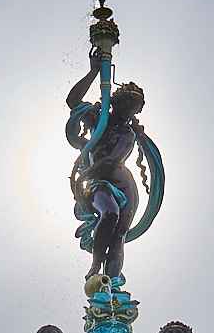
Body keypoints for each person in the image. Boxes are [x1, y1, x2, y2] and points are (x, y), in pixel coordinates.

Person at [66, 51, 154, 281]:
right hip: (99, 182)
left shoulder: (127, 133)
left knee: (119, 236)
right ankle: (96, 266)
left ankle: (112, 287)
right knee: (110, 213)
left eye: (134, 110)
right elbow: (73, 102)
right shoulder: (97, 119)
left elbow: (111, 160)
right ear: (116, 104)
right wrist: (94, 71)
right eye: (127, 107)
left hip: (124, 186)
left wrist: (80, 176)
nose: (129, 114)